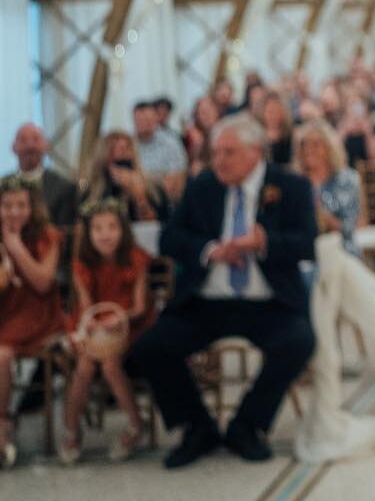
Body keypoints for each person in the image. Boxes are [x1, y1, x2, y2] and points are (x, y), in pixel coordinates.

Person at [125, 115, 317, 469]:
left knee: (299, 341)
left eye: (228, 152)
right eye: (215, 153)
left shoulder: (290, 187)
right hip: (207, 300)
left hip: (268, 302)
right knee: (151, 347)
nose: (218, 161)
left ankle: (248, 424)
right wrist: (211, 250)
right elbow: (170, 238)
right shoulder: (203, 186)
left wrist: (265, 243)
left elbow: (307, 245)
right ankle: (198, 426)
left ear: (254, 153)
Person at [59, 199, 155, 464]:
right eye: (98, 228)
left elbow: (139, 306)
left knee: (111, 364)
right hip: (96, 322)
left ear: (123, 229)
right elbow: (86, 305)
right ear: (88, 233)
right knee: (85, 366)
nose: (105, 234)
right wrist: (92, 324)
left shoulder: (136, 258)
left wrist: (118, 317)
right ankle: (71, 429)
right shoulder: (82, 263)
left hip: (129, 324)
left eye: (112, 227)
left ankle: (136, 425)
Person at [0, 176, 66, 468]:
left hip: (36, 312)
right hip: (5, 308)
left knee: (2, 354)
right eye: (7, 206)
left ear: (32, 206)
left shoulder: (47, 235)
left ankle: (3, 423)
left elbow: (42, 282)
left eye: (20, 205)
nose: (14, 212)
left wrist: (15, 246)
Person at [293, 119, 364, 258]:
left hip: (342, 251)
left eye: (315, 144)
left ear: (329, 148)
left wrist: (327, 220)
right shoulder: (295, 182)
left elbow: (354, 227)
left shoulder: (347, 180)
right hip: (303, 255)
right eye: (303, 145)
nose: (308, 150)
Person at [6, 123, 79, 236]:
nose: (30, 146)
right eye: (23, 140)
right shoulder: (3, 187)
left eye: (36, 139)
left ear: (46, 146)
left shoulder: (65, 187)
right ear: (13, 147)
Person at [83, 130, 162, 222]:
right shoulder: (91, 190)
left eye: (126, 149)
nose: (120, 155)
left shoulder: (152, 188)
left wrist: (139, 195)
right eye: (113, 150)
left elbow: (153, 222)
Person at [134, 101, 188, 207]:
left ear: (155, 119)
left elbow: (176, 179)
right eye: (139, 120)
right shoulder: (129, 145)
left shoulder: (171, 142)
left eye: (146, 120)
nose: (142, 124)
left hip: (166, 202)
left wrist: (142, 179)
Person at [260, 90, 295, 167]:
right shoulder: (256, 136)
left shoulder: (292, 136)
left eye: (276, 111)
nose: (272, 116)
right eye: (269, 111)